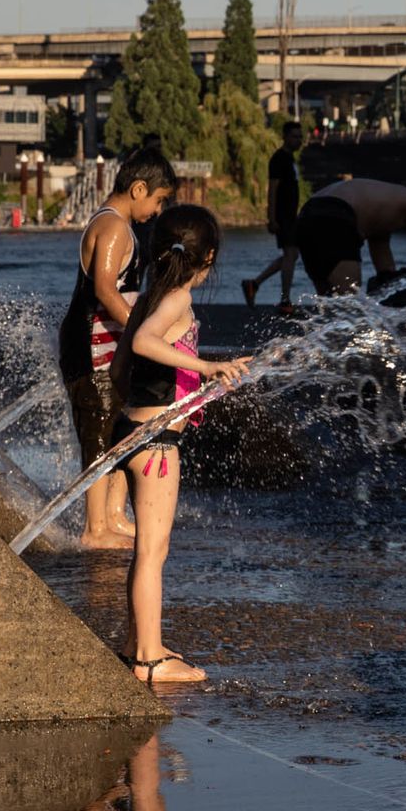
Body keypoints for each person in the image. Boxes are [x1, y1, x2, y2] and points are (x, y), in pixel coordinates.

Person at [108, 205, 251, 684]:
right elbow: (147, 344)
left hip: (134, 431)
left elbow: (120, 368)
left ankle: (137, 643)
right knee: (152, 551)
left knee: (145, 551)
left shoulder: (150, 296)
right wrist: (208, 368)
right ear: (208, 257)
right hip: (158, 446)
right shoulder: (175, 302)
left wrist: (208, 375)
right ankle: (150, 660)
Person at [56, 148, 175, 550]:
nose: (158, 211)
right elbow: (106, 290)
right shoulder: (113, 229)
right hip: (88, 347)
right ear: (138, 189)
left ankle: (113, 516)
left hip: (106, 346)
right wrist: (142, 333)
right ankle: (95, 528)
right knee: (99, 432)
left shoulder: (120, 225)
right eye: (158, 200)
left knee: (117, 427)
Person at [291, 178, 406, 296]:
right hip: (336, 214)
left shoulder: (383, 210)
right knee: (349, 307)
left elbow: (385, 272)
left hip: (306, 215)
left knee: (328, 303)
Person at [242, 120, 306, 314]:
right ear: (285, 137)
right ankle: (285, 300)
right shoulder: (279, 158)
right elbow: (273, 189)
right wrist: (271, 217)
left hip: (291, 215)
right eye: (295, 136)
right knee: (290, 255)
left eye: (300, 136)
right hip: (283, 215)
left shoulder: (290, 159)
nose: (298, 140)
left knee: (292, 255)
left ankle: (254, 284)